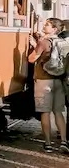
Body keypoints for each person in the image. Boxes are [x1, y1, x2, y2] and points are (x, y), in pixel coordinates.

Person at [28, 17, 69, 153]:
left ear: (54, 29)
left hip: (43, 81)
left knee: (45, 112)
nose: (44, 26)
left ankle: (48, 143)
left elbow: (32, 58)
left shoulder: (43, 42)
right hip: (58, 81)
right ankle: (63, 141)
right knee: (58, 112)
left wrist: (35, 45)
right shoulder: (63, 42)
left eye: (47, 25)